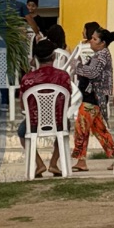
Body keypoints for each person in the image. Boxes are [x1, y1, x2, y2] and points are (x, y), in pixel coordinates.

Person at [19, 39, 72, 177]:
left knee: (22, 132)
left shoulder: (27, 79)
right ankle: (54, 163)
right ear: (54, 56)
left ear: (36, 58)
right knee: (67, 125)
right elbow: (69, 101)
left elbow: (23, 106)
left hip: (34, 123)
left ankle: (39, 164)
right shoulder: (63, 76)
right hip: (59, 121)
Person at [71, 27, 114, 172]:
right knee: (99, 129)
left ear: (102, 43)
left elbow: (92, 73)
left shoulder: (101, 56)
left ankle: (81, 160)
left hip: (93, 97)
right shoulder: (101, 54)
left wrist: (77, 67)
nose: (91, 41)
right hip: (96, 97)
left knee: (81, 127)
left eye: (94, 39)